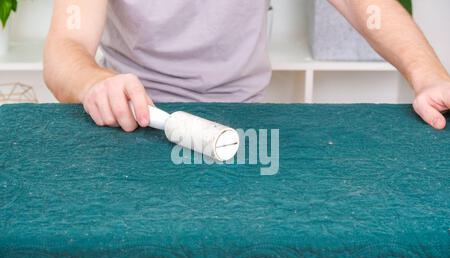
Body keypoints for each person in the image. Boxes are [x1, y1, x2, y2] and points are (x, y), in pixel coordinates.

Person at [44, 0, 450, 132]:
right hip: (134, 117)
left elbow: (367, 6)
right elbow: (67, 45)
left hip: (245, 116)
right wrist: (96, 82)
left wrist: (430, 76)